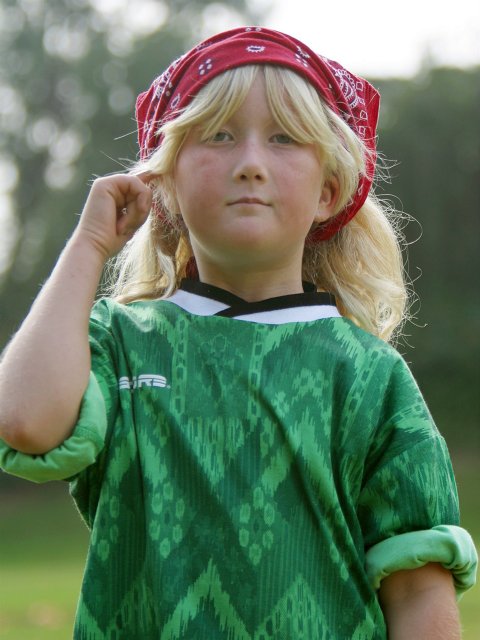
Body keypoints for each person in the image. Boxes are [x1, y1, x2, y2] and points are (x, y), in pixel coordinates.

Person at [0, 26, 476, 639]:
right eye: (219, 136)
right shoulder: (118, 343)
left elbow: (417, 593)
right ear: (164, 182)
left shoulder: (369, 375)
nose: (250, 164)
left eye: (283, 139)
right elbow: (22, 420)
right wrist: (91, 243)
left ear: (329, 191)